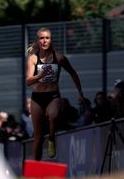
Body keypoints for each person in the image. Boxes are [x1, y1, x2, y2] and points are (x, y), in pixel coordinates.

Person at [26, 27, 86, 160]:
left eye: (47, 38)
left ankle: (52, 137)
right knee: (38, 138)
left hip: (53, 95)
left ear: (51, 40)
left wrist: (80, 93)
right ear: (38, 41)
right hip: (37, 98)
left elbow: (73, 73)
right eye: (42, 38)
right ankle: (36, 167)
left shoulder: (59, 58)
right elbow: (28, 81)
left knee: (53, 115)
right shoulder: (33, 59)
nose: (44, 40)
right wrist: (40, 75)